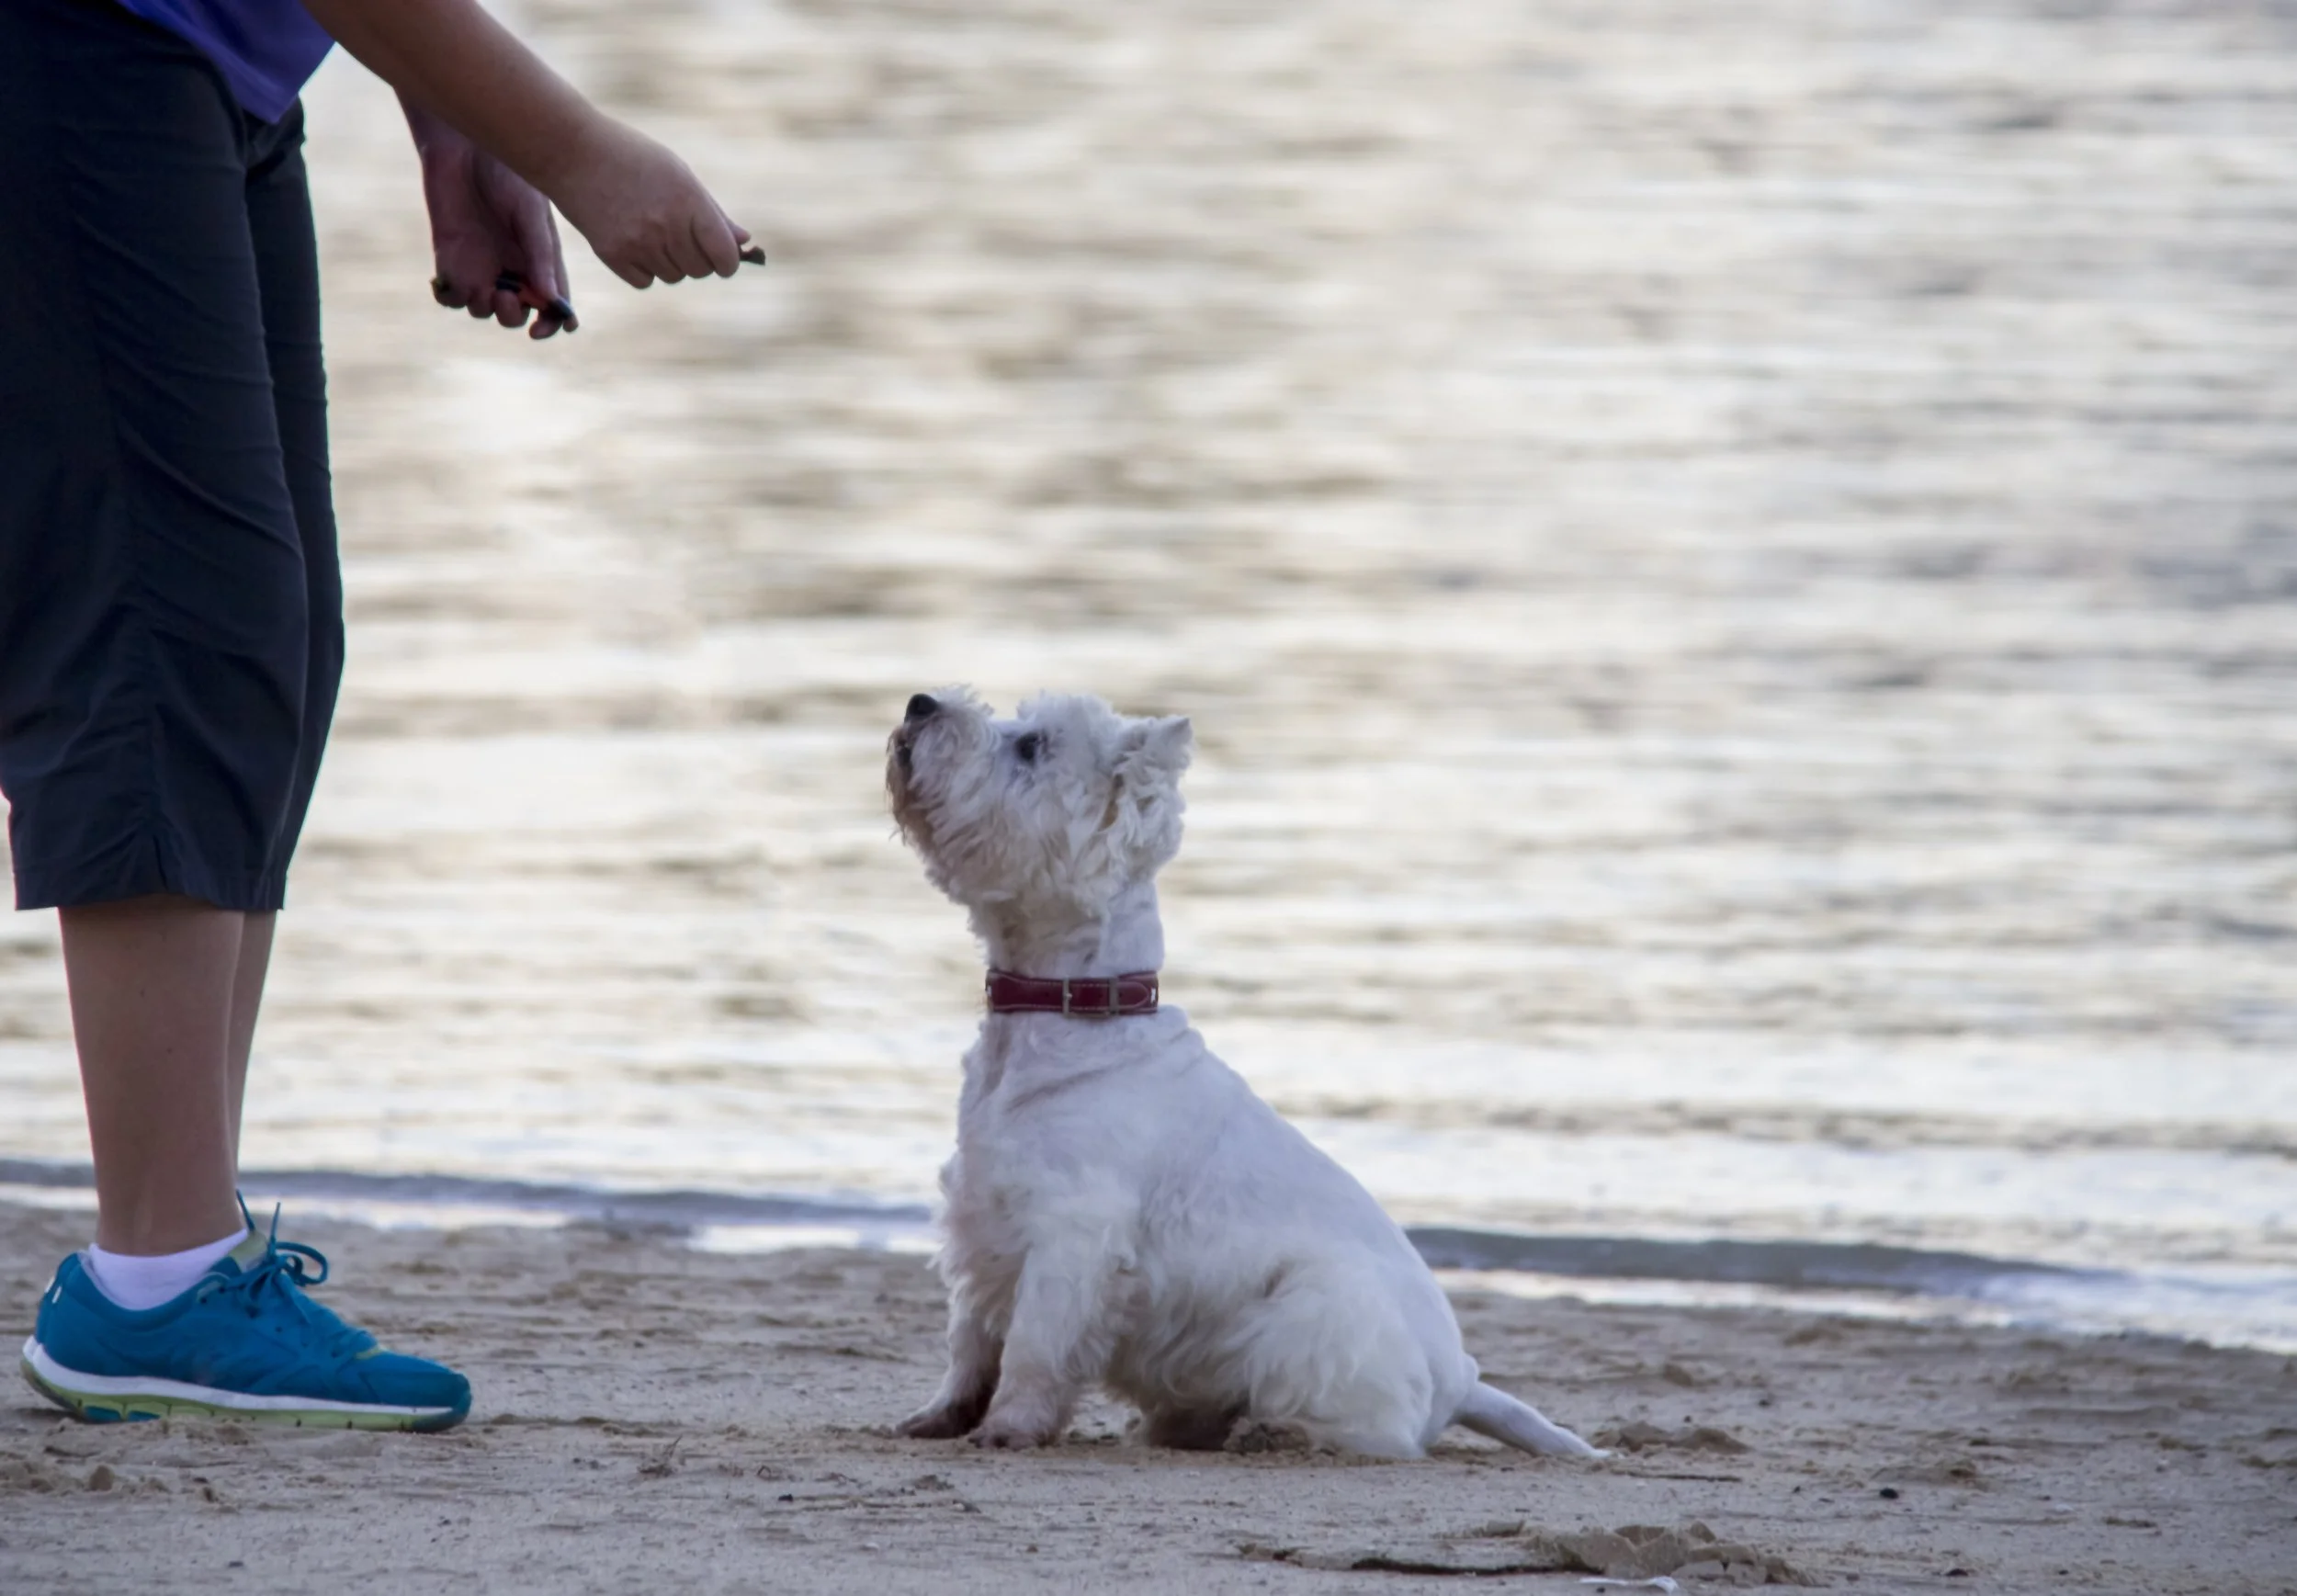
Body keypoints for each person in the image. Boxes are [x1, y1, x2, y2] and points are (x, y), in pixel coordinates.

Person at [1, 0, 752, 1431]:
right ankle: (156, 1272)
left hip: (201, 62)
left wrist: (445, 107)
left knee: (272, 632)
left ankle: (185, 1252)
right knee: (165, 622)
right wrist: (574, 145)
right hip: (74, 44)